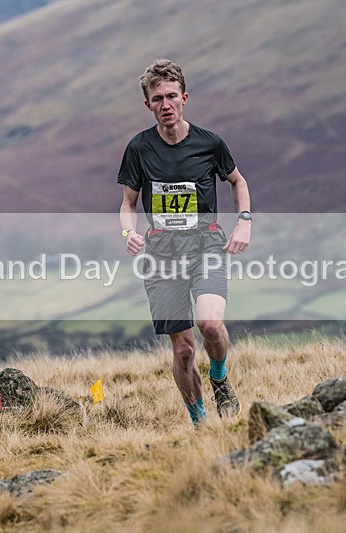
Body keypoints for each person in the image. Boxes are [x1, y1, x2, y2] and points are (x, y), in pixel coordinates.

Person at [118, 59, 252, 426]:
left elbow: (238, 182)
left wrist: (244, 222)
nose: (166, 105)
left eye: (171, 96)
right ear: (148, 104)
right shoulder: (139, 148)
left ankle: (220, 376)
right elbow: (128, 204)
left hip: (206, 246)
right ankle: (200, 423)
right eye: (157, 98)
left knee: (209, 324)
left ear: (184, 98)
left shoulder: (210, 143)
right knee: (183, 351)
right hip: (161, 257)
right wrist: (129, 233)